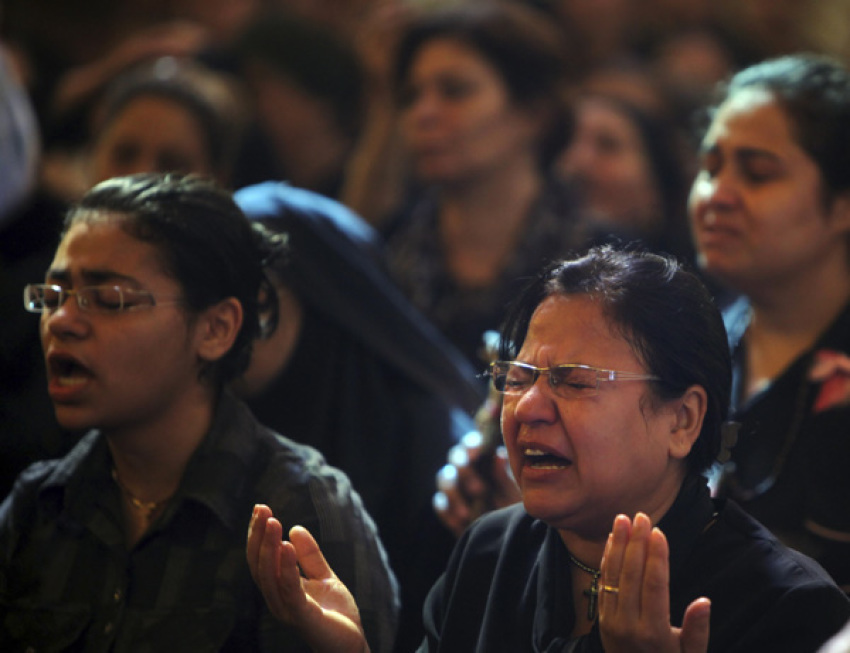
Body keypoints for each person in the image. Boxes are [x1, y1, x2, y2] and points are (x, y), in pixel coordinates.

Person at [248, 246, 850, 652]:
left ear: (683, 420)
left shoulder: (790, 609)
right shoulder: (489, 552)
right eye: (516, 376)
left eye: (574, 380)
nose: (528, 407)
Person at [0, 173, 398, 651]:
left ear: (216, 328)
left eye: (107, 300)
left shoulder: (300, 509)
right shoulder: (38, 508)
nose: (62, 321)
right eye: (53, 296)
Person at [231, 180, 483, 651]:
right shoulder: (213, 427)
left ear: (318, 293)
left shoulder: (436, 450)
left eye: (248, 295)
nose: (220, 322)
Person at [688, 53, 850, 592]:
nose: (717, 195)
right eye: (710, 169)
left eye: (757, 173)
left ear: (843, 204)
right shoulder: (694, 339)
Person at [376, 1, 594, 370]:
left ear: (533, 114)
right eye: (410, 96)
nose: (423, 113)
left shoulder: (598, 258)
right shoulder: (387, 249)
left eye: (454, 91)